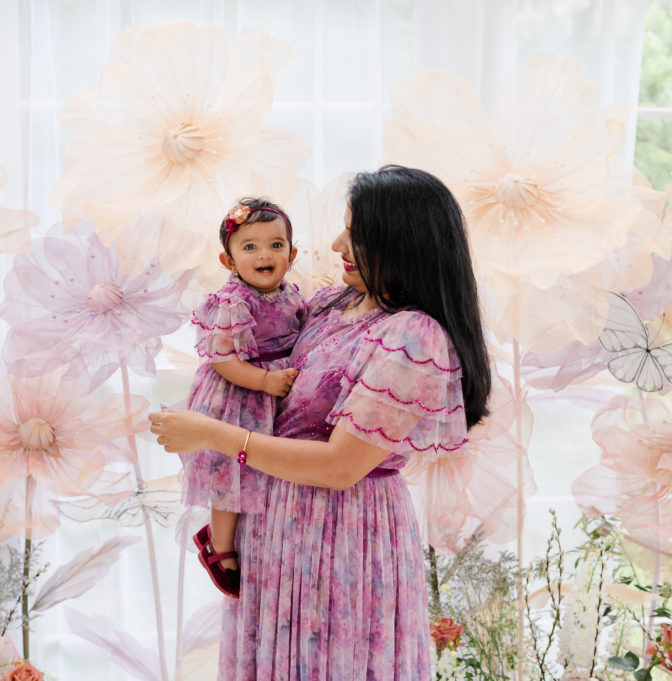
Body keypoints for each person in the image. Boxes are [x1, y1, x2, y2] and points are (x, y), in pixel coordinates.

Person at [150, 166, 491, 680]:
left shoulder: (413, 337)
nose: (336, 244)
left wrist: (211, 433)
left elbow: (340, 466)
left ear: (399, 241)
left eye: (354, 233)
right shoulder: (334, 303)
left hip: (345, 539)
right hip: (273, 531)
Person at [179, 198, 306, 598]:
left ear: (292, 254)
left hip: (273, 388)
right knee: (230, 475)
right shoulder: (232, 302)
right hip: (236, 393)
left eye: (275, 245)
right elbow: (222, 360)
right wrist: (264, 381)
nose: (264, 254)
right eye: (249, 247)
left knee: (269, 468)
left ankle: (256, 534)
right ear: (228, 260)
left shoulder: (290, 296)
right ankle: (219, 545)